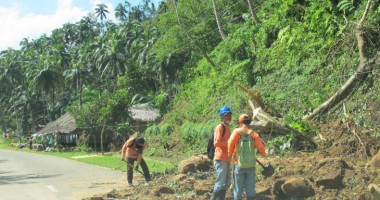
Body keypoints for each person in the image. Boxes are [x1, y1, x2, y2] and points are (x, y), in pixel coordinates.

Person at [228, 114, 266, 200]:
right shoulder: (253, 134)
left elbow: (230, 143)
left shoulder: (237, 132)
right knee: (250, 188)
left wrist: (229, 153)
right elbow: (260, 147)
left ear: (239, 122)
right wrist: (264, 154)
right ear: (249, 123)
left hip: (238, 164)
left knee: (238, 188)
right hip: (251, 165)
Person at [210, 106, 232, 200]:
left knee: (227, 182)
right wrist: (228, 143)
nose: (228, 117)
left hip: (226, 158)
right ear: (222, 117)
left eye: (229, 115)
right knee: (220, 181)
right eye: (226, 115)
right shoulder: (220, 127)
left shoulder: (228, 128)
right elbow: (216, 143)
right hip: (220, 158)